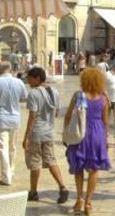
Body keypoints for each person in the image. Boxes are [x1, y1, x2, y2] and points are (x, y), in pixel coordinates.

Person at [64, 68, 111, 215]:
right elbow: (105, 121)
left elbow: (67, 117)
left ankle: (79, 199)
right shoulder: (104, 98)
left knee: (78, 168)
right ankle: (89, 203)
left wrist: (66, 135)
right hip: (97, 133)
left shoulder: (78, 96)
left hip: (80, 133)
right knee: (94, 169)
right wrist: (105, 138)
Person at [22, 67, 69, 203]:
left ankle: (33, 192)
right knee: (51, 160)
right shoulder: (54, 91)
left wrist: (26, 137)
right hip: (49, 132)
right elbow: (56, 112)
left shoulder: (34, 93)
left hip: (36, 133)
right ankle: (63, 186)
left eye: (29, 78)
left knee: (35, 162)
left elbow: (32, 116)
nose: (28, 81)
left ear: (37, 78)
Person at [0, 61, 28, 185]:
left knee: (3, 148)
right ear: (10, 69)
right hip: (15, 119)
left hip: (0, 119)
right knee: (12, 147)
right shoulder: (19, 82)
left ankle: (6, 176)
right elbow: (24, 98)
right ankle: (11, 171)